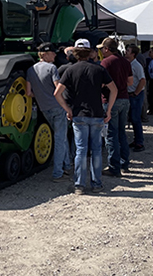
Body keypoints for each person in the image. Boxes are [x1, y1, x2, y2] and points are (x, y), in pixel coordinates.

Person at [54, 38, 117, 195]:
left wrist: (68, 109)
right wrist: (108, 110)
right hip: (96, 114)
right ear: (90, 52)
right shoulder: (99, 69)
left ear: (75, 52)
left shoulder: (70, 70)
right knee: (96, 150)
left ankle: (79, 185)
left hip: (78, 114)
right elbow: (114, 89)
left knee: (80, 150)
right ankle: (96, 184)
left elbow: (57, 93)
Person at [26, 42, 71, 182]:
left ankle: (67, 165)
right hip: (58, 107)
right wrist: (67, 105)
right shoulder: (52, 68)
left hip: (44, 108)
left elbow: (28, 93)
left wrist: (41, 95)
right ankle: (58, 173)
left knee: (61, 137)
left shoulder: (30, 70)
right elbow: (58, 88)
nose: (55, 54)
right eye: (52, 52)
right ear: (44, 54)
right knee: (59, 139)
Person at [98, 38, 133, 177]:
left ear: (106, 49)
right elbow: (130, 82)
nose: (101, 51)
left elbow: (100, 83)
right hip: (125, 98)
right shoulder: (125, 61)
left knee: (111, 134)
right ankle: (125, 163)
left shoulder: (106, 62)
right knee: (121, 133)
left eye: (102, 48)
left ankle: (114, 166)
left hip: (110, 100)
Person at [126, 44, 146, 152]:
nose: (126, 52)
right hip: (130, 93)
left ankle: (139, 142)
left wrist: (136, 92)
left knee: (136, 118)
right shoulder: (128, 64)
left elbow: (142, 80)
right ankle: (136, 139)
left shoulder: (136, 66)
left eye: (128, 51)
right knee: (132, 118)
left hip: (135, 95)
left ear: (133, 54)